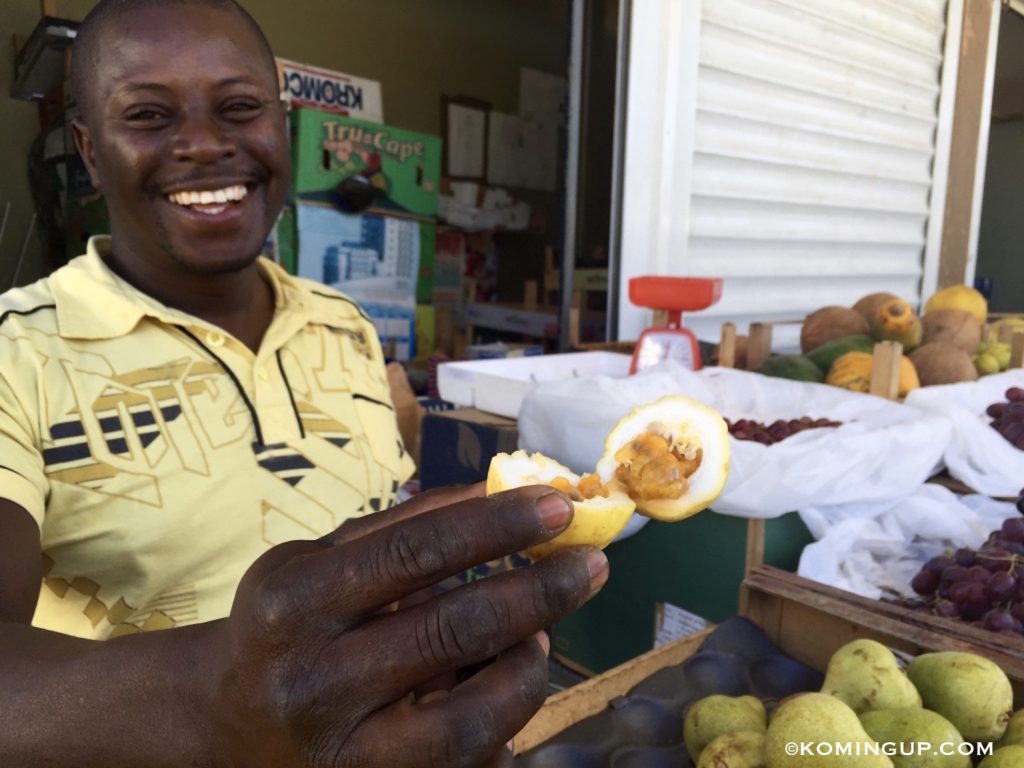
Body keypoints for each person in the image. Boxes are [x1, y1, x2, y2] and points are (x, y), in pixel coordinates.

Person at [0, 1, 608, 765]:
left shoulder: (343, 323)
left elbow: (370, 516)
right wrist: (210, 707)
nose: (203, 144)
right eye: (149, 115)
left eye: (240, 107)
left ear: (280, 124)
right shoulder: (17, 354)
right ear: (90, 151)